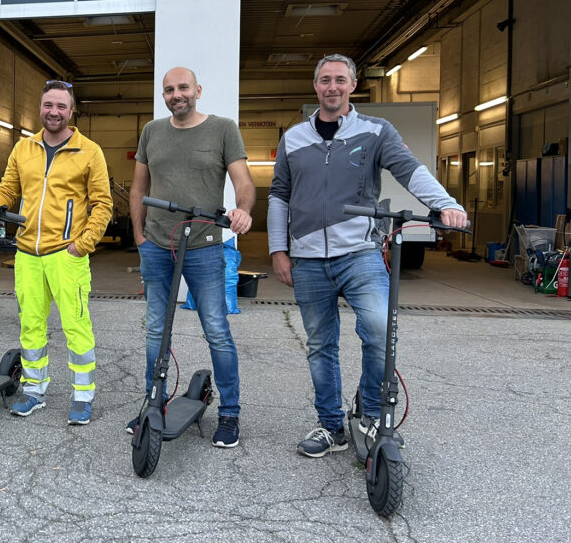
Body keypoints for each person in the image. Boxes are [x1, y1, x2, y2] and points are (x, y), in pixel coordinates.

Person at [268, 53, 468, 457]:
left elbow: (410, 170)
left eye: (340, 79)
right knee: (320, 344)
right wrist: (278, 250)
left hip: (359, 254)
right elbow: (279, 196)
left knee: (378, 329)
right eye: (325, 80)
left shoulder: (376, 132)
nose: (332, 87)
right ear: (316, 86)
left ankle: (371, 415)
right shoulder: (293, 139)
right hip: (307, 260)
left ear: (353, 85)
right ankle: (329, 427)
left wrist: (447, 204)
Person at [0, 80, 112, 425]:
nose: (54, 112)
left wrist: (82, 245)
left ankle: (82, 395)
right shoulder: (23, 148)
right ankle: (34, 389)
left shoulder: (89, 151)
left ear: (71, 110)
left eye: (61, 106)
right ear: (40, 108)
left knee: (76, 326)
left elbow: (103, 205)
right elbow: (8, 188)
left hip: (67, 254)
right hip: (27, 255)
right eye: (49, 105)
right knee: (31, 324)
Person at [128, 67, 255, 448]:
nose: (176, 94)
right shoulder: (152, 131)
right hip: (156, 244)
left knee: (216, 329)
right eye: (169, 90)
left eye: (183, 87)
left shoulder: (222, 128)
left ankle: (230, 413)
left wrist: (243, 210)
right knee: (155, 329)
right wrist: (139, 236)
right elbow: (139, 187)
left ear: (198, 90)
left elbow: (244, 181)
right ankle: (155, 402)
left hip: (203, 245)